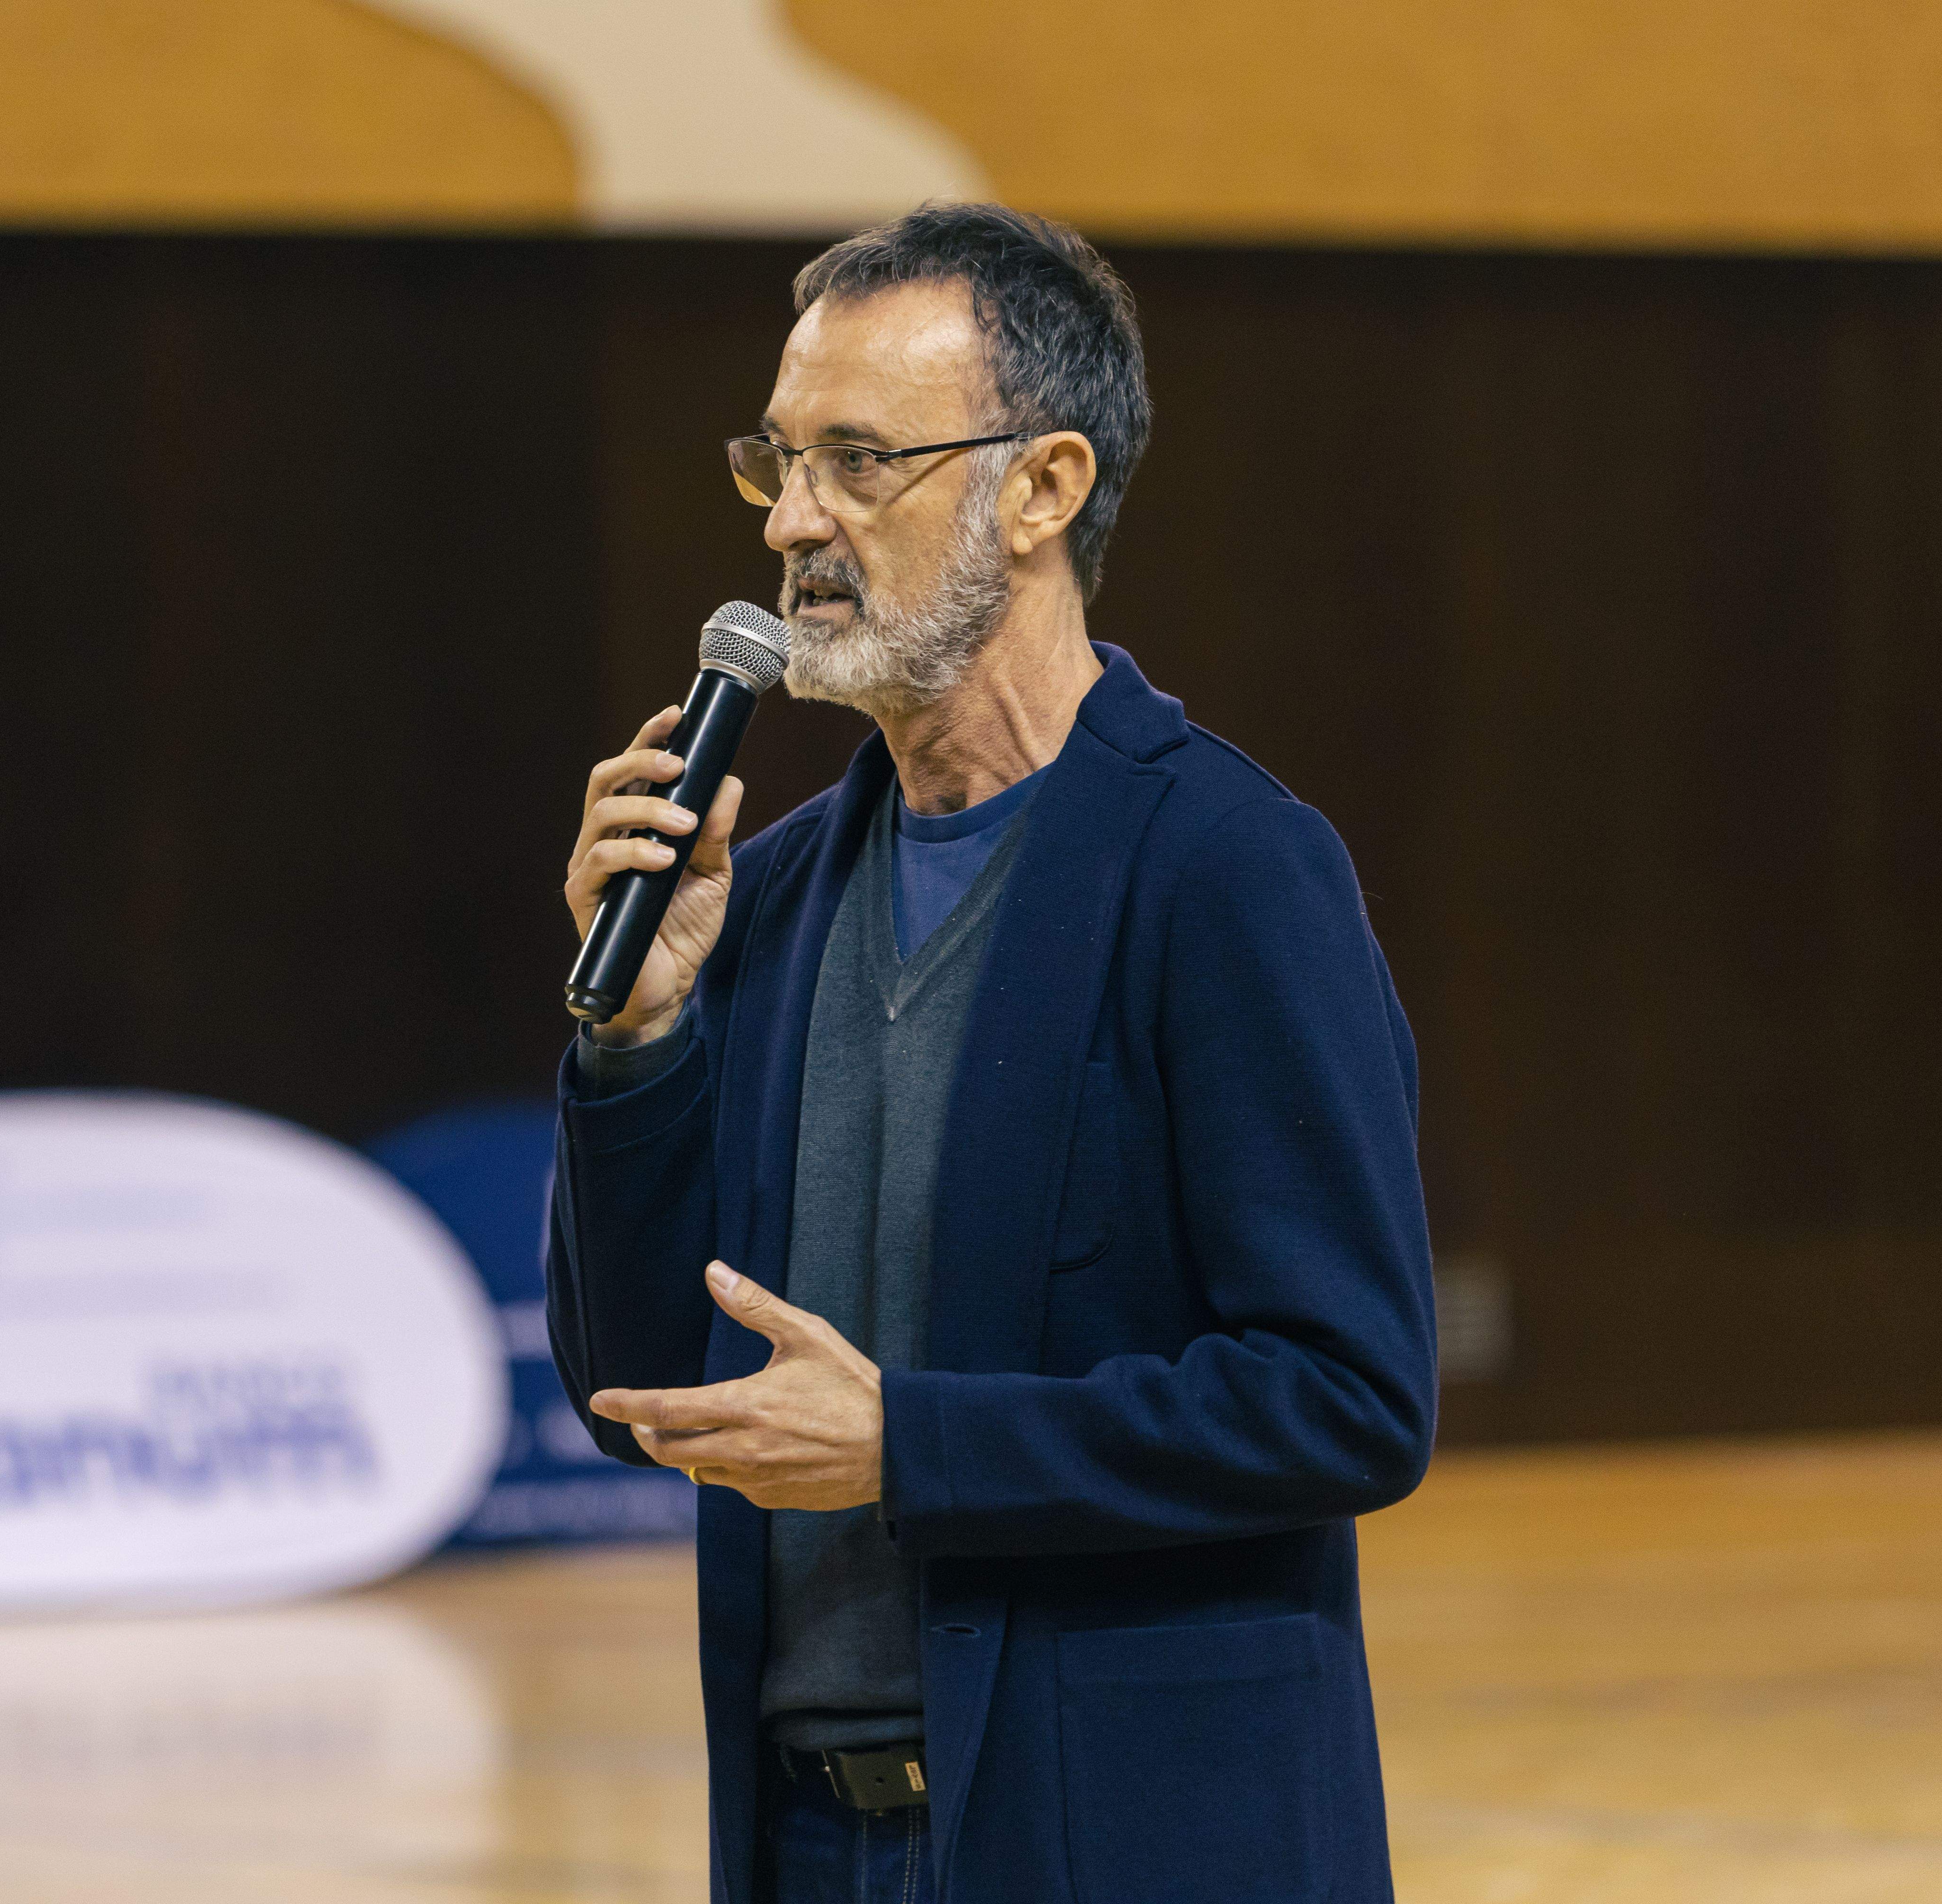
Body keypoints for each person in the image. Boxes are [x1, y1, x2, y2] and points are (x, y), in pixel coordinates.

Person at [546, 203, 1436, 1904]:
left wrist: (914, 1450)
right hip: (813, 1840)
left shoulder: (1228, 870)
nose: (795, 522)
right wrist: (642, 1037)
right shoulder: (773, 892)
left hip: (1134, 1836)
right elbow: (641, 1392)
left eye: (861, 461)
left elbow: (1349, 1399)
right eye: (777, 461)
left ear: (1042, 489)